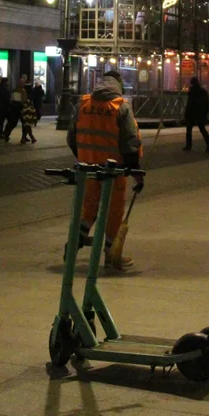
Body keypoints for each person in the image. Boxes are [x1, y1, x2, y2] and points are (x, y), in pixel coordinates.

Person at [67, 70, 142, 269]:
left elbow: (71, 137)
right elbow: (130, 143)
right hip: (113, 171)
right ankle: (111, 254)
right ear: (118, 86)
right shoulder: (121, 107)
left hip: (88, 169)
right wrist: (136, 173)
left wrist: (83, 157)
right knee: (114, 211)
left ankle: (74, 242)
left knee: (88, 208)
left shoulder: (83, 104)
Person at [182, 77, 209, 153]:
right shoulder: (203, 91)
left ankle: (189, 145)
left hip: (192, 113)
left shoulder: (192, 91)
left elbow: (189, 103)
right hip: (200, 113)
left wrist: (186, 113)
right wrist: (206, 112)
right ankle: (208, 144)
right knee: (202, 129)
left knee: (189, 130)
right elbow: (207, 103)